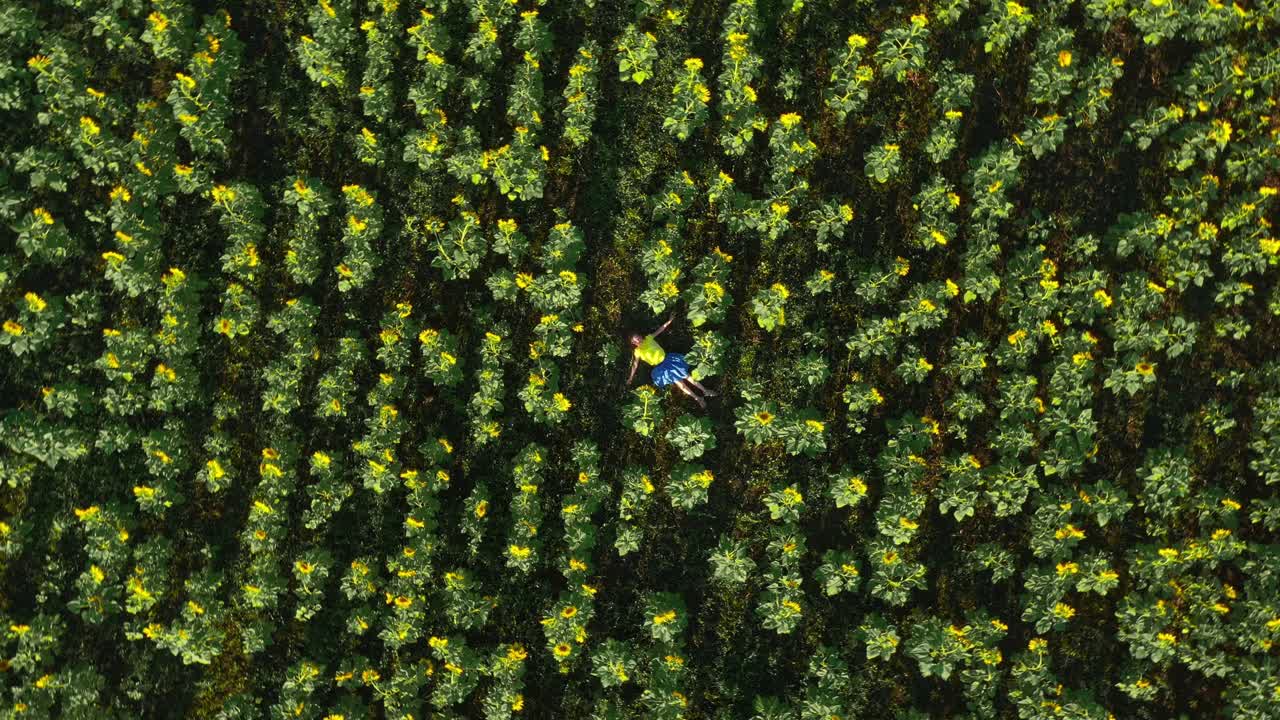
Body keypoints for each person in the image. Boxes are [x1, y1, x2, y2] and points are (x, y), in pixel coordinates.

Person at [625, 316, 717, 408]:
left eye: (638, 337)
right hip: (662, 369)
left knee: (687, 376)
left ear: (640, 336)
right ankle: (698, 398)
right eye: (635, 340)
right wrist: (631, 377)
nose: (638, 340)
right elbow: (635, 364)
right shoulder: (637, 351)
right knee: (681, 384)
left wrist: (669, 321)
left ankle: (705, 391)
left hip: (669, 361)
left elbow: (660, 329)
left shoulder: (648, 338)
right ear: (633, 343)